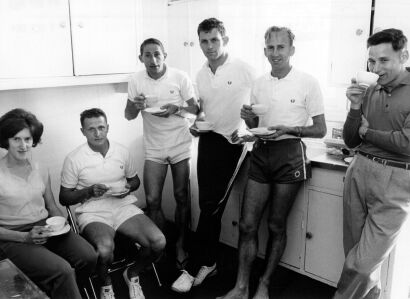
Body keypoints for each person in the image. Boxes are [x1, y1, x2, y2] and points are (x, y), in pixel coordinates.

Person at [220, 26, 327, 299]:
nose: (275, 53)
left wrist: (290, 129)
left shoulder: (308, 82)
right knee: (246, 224)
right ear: (264, 50)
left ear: (292, 50)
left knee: (277, 225)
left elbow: (320, 129)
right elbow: (257, 124)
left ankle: (264, 285)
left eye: (281, 47)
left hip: (290, 155)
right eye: (270, 47)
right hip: (261, 152)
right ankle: (241, 287)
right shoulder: (259, 82)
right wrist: (248, 118)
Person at [171, 18, 257, 293]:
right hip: (207, 141)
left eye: (214, 40)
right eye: (204, 41)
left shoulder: (245, 69)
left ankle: (195, 266)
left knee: (210, 207)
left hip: (232, 143)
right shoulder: (200, 74)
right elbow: (202, 111)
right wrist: (195, 125)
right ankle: (209, 262)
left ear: (225, 40)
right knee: (207, 205)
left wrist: (248, 131)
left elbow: (260, 108)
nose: (209, 47)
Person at [334, 28, 410, 299]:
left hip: (397, 182)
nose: (376, 68)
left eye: (384, 61)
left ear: (404, 56)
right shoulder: (369, 90)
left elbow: (406, 143)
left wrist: (369, 133)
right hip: (359, 169)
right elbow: (351, 140)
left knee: (362, 265)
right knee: (354, 255)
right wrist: (355, 107)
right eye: (371, 61)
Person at [60, 108, 166, 299]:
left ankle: (132, 273)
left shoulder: (121, 151)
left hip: (123, 206)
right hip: (93, 212)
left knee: (158, 242)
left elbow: (135, 181)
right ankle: (106, 284)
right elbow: (64, 198)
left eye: (101, 127)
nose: (97, 133)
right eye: (91, 129)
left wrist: (128, 187)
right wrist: (88, 191)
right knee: (104, 249)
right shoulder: (74, 158)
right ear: (82, 131)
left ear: (108, 127)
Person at [0, 108, 97, 299]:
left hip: (45, 228)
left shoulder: (41, 168)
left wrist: (60, 222)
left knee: (89, 256)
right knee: (63, 271)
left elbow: (51, 205)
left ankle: (63, 291)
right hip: (13, 236)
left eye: (27, 139)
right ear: (6, 141)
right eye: (16, 139)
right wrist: (25, 237)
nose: (23, 146)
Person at [124, 38, 199, 270]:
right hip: (154, 147)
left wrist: (177, 109)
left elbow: (195, 109)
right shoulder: (136, 80)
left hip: (179, 144)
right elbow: (128, 115)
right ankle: (161, 246)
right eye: (148, 55)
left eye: (157, 54)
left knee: (181, 196)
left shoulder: (179, 77)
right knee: (153, 200)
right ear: (141, 58)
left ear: (165, 55)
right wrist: (135, 106)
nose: (153, 60)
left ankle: (180, 245)